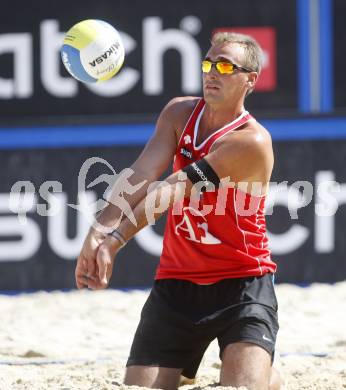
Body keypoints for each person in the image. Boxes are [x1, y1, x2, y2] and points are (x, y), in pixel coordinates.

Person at [75, 32, 282, 390]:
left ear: (250, 80)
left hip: (242, 283)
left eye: (225, 66)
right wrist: (96, 233)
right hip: (177, 283)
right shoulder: (178, 112)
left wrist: (115, 241)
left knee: (244, 387)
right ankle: (191, 362)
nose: (211, 72)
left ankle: (266, 375)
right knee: (140, 387)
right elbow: (141, 175)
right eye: (208, 63)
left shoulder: (252, 141)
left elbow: (171, 189)